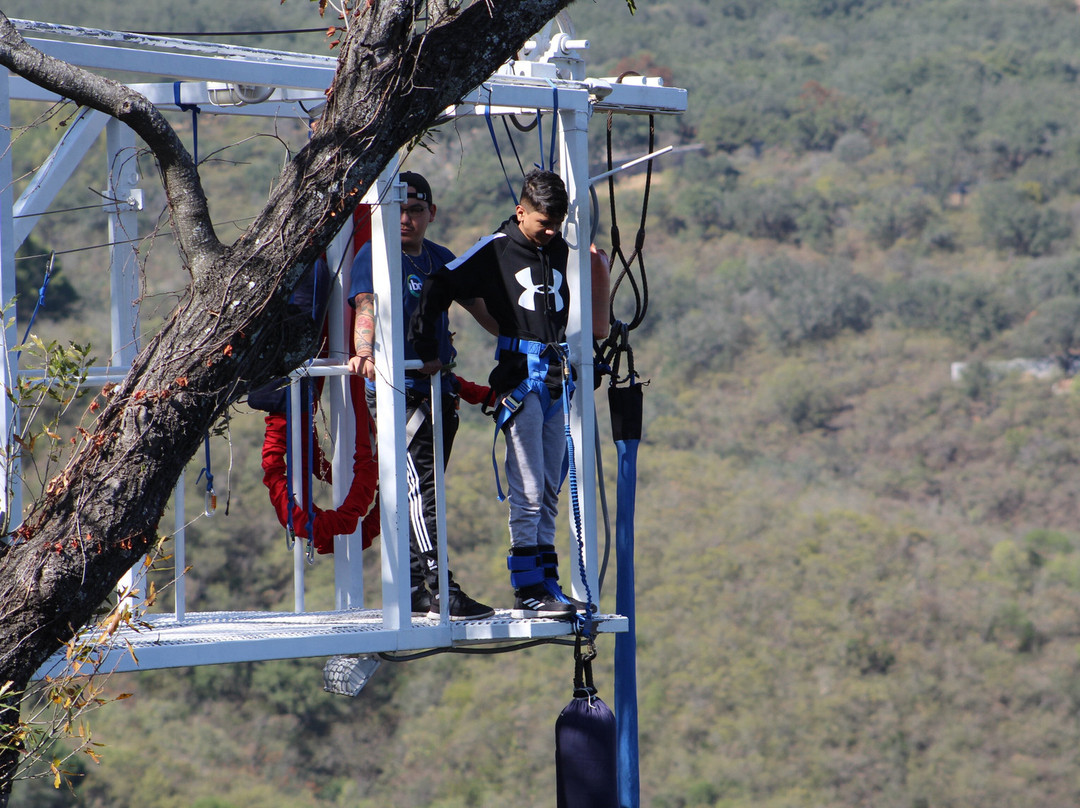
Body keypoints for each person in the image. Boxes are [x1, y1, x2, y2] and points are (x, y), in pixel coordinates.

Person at [409, 169, 581, 620]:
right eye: (543, 223)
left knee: (549, 489)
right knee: (528, 488)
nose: (550, 232)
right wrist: (426, 348)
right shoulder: (495, 249)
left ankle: (546, 582)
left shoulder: (557, 249)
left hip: (555, 377)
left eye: (556, 225)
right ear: (521, 212)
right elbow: (440, 284)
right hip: (520, 380)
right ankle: (528, 588)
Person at [347, 171, 496, 621]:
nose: (406, 219)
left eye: (415, 210)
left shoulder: (440, 258)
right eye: (398, 209)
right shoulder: (376, 254)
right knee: (422, 491)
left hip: (439, 392)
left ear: (431, 213)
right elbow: (366, 306)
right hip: (399, 393)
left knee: (422, 491)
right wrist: (364, 352)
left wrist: (527, 335)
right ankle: (441, 589)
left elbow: (482, 309)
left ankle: (415, 588)